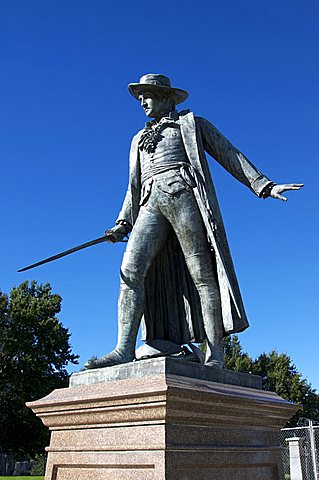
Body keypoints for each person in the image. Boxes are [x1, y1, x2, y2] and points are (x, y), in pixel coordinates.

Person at [85, 74, 303, 370]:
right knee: (130, 271)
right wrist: (123, 221)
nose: (142, 102)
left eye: (147, 95)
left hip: (183, 196)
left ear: (166, 97)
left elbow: (230, 154)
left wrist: (264, 185)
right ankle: (123, 349)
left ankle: (215, 354)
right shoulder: (137, 139)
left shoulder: (192, 124)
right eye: (140, 98)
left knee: (202, 274)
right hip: (149, 203)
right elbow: (132, 187)